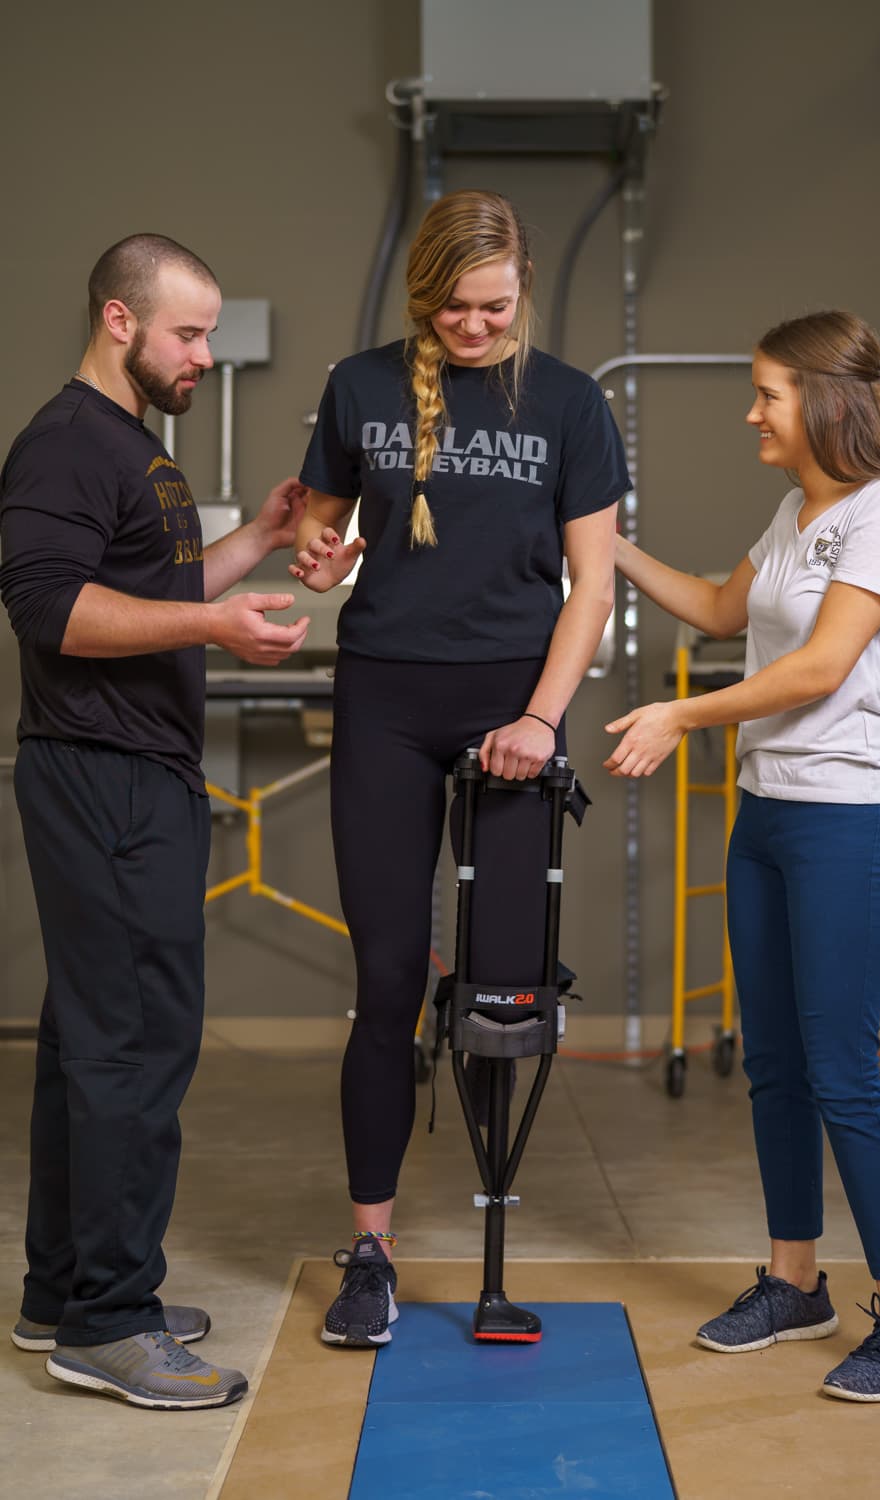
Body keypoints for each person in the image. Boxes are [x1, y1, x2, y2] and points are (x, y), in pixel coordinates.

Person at [291, 189, 628, 1348]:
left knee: (501, 996)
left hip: (510, 712)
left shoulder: (573, 405)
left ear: (521, 290)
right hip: (383, 697)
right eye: (451, 307)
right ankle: (371, 1251)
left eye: (493, 306)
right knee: (386, 980)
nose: (472, 326)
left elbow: (592, 586)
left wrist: (540, 717)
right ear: (420, 291)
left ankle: (492, 1252)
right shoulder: (358, 385)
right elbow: (321, 538)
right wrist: (313, 550)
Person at [606, 309, 880, 1403]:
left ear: (824, 401)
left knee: (840, 1072)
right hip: (765, 813)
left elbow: (818, 669)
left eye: (765, 393)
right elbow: (721, 607)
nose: (749, 410)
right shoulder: (796, 508)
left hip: (849, 819)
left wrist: (678, 718)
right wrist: (603, 545)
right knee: (771, 1064)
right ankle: (792, 1281)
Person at [0, 233, 312, 1409]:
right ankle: (115, 1323)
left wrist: (261, 542)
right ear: (120, 323)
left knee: (90, 1037)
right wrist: (218, 633)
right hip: (106, 776)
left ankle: (64, 1293)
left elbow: (152, 591)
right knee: (135, 1041)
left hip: (126, 773)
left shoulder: (135, 449)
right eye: (188, 334)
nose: (204, 357)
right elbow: (49, 612)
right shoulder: (67, 443)